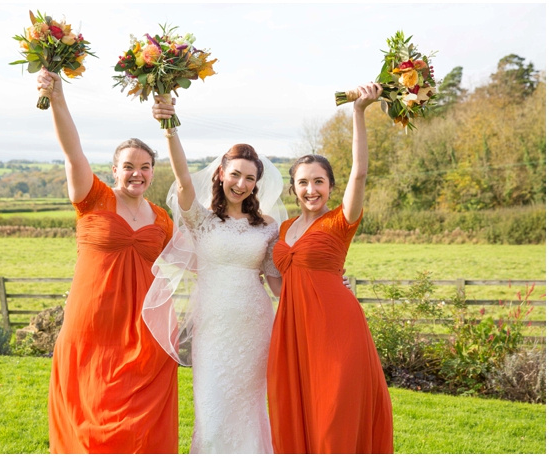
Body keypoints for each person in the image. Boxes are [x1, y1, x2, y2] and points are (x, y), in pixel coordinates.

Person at [36, 68, 178, 453]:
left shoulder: (162, 219)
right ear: (114, 169)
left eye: (145, 167)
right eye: (128, 166)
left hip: (143, 330)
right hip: (92, 325)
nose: (137, 173)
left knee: (141, 426)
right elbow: (72, 150)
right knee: (88, 416)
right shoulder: (92, 197)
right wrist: (58, 97)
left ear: (152, 172)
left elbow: (183, 263)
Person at [145, 97, 288, 453]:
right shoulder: (202, 220)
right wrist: (170, 129)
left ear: (257, 184)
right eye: (235, 174)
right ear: (220, 173)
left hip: (254, 325)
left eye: (249, 178)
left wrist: (327, 285)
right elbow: (182, 183)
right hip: (213, 327)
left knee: (251, 409)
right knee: (212, 412)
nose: (241, 183)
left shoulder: (268, 227)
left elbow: (277, 284)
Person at [267, 82, 394, 453]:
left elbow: (361, 173)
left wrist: (358, 111)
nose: (311, 190)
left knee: (334, 411)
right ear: (293, 189)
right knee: (295, 407)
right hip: (292, 330)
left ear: (331, 186)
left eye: (319, 182)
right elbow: (280, 280)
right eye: (303, 183)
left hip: (335, 328)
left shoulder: (342, 219)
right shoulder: (285, 228)